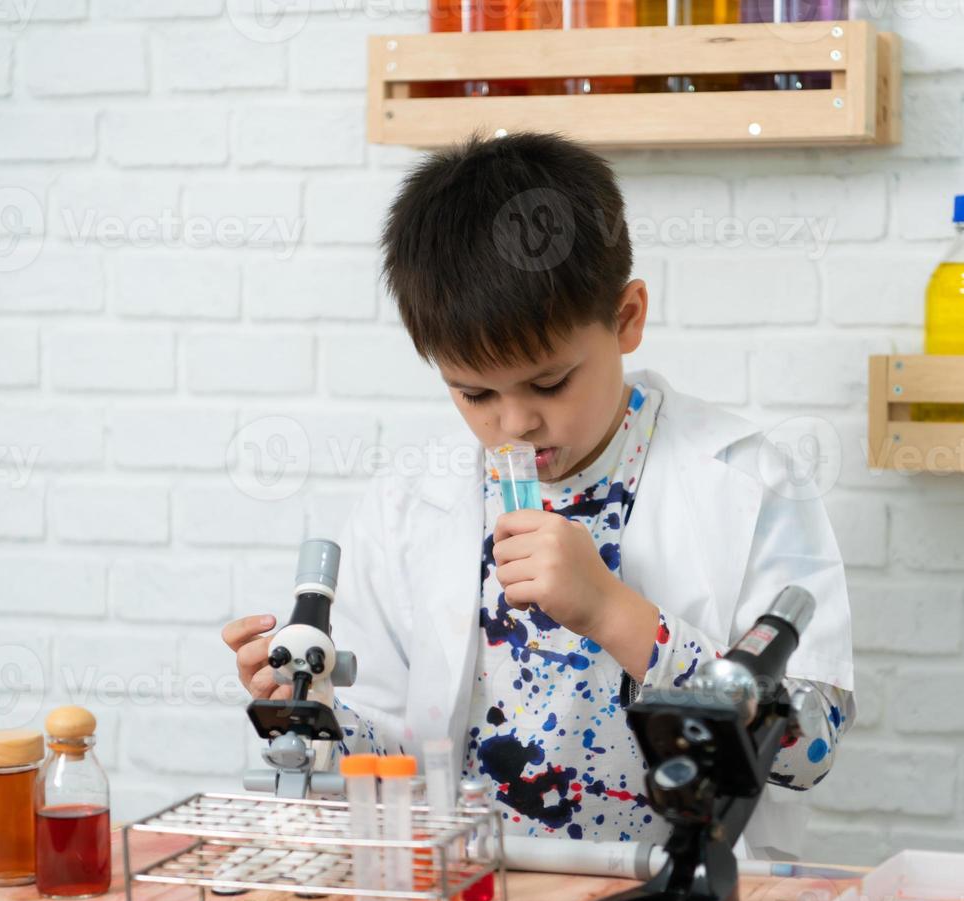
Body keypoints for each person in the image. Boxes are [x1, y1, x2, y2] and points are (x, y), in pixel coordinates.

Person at [226, 132, 854, 858]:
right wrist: (314, 710)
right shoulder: (408, 503)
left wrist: (615, 613)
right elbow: (396, 759)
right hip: (476, 891)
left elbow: (811, 751)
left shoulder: (749, 481)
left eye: (549, 383)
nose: (515, 423)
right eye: (474, 394)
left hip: (676, 894)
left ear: (627, 318)